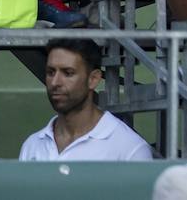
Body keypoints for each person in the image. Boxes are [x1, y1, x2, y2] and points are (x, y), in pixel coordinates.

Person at [18, 40, 151, 160]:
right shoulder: (32, 145)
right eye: (50, 72)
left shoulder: (129, 149)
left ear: (93, 79)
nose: (55, 82)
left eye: (68, 73)